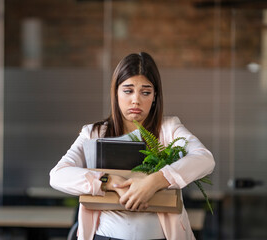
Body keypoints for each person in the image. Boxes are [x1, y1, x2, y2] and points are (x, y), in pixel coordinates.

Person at [50, 52, 215, 240]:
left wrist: (155, 181)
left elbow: (204, 158)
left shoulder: (169, 129)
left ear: (155, 97)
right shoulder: (93, 133)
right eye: (128, 91)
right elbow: (57, 175)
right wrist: (109, 181)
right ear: (116, 93)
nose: (136, 100)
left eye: (145, 92)